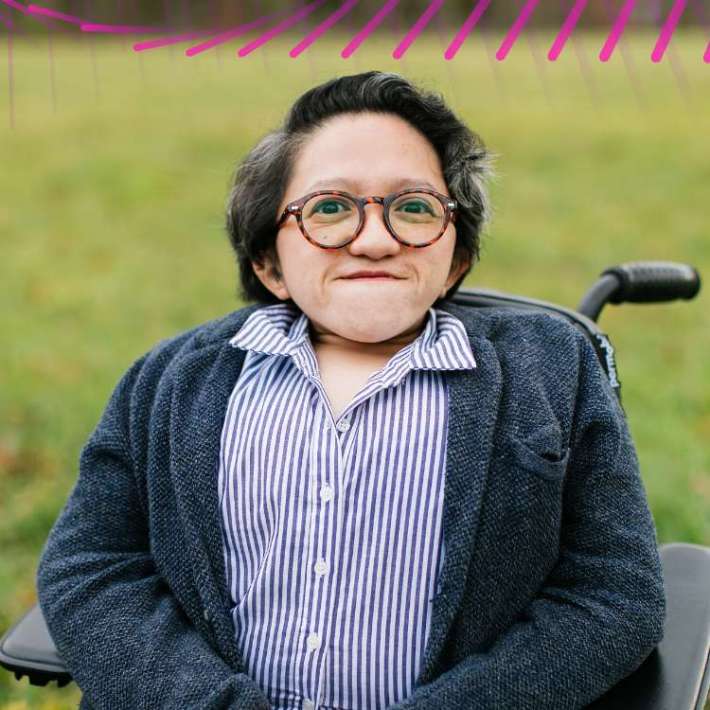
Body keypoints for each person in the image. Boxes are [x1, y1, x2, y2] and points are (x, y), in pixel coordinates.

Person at [36, 70, 665, 710]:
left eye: (414, 208)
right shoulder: (171, 381)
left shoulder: (553, 373)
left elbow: (612, 594)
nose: (374, 239)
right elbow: (92, 568)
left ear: (457, 258)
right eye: (329, 209)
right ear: (269, 263)